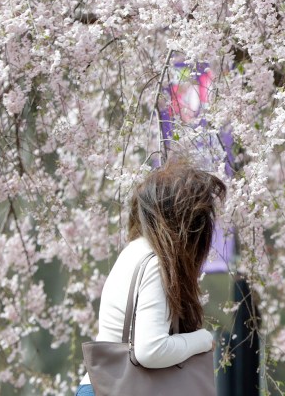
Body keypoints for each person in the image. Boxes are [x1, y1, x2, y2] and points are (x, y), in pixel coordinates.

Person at [75, 161, 225, 396]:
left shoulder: (134, 251)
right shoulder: (155, 264)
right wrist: (203, 339)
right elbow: (150, 350)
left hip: (103, 386)